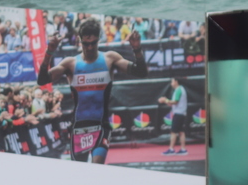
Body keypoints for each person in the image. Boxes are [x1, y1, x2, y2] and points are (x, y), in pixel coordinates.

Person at [37, 17, 147, 163]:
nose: (89, 47)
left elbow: (141, 72)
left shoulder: (110, 59)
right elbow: (42, 80)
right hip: (78, 127)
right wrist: (49, 52)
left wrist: (137, 49)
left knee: (97, 167)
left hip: (101, 126)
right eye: (86, 44)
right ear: (79, 40)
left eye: (93, 43)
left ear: (99, 40)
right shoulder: (70, 63)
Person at [159, 76, 189, 156]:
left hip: (179, 114)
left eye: (172, 81)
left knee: (173, 132)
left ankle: (171, 149)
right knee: (181, 132)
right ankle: (183, 149)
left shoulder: (179, 89)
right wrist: (165, 101)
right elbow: (172, 103)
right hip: (181, 113)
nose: (171, 83)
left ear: (176, 82)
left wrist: (165, 100)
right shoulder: (179, 89)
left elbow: (175, 102)